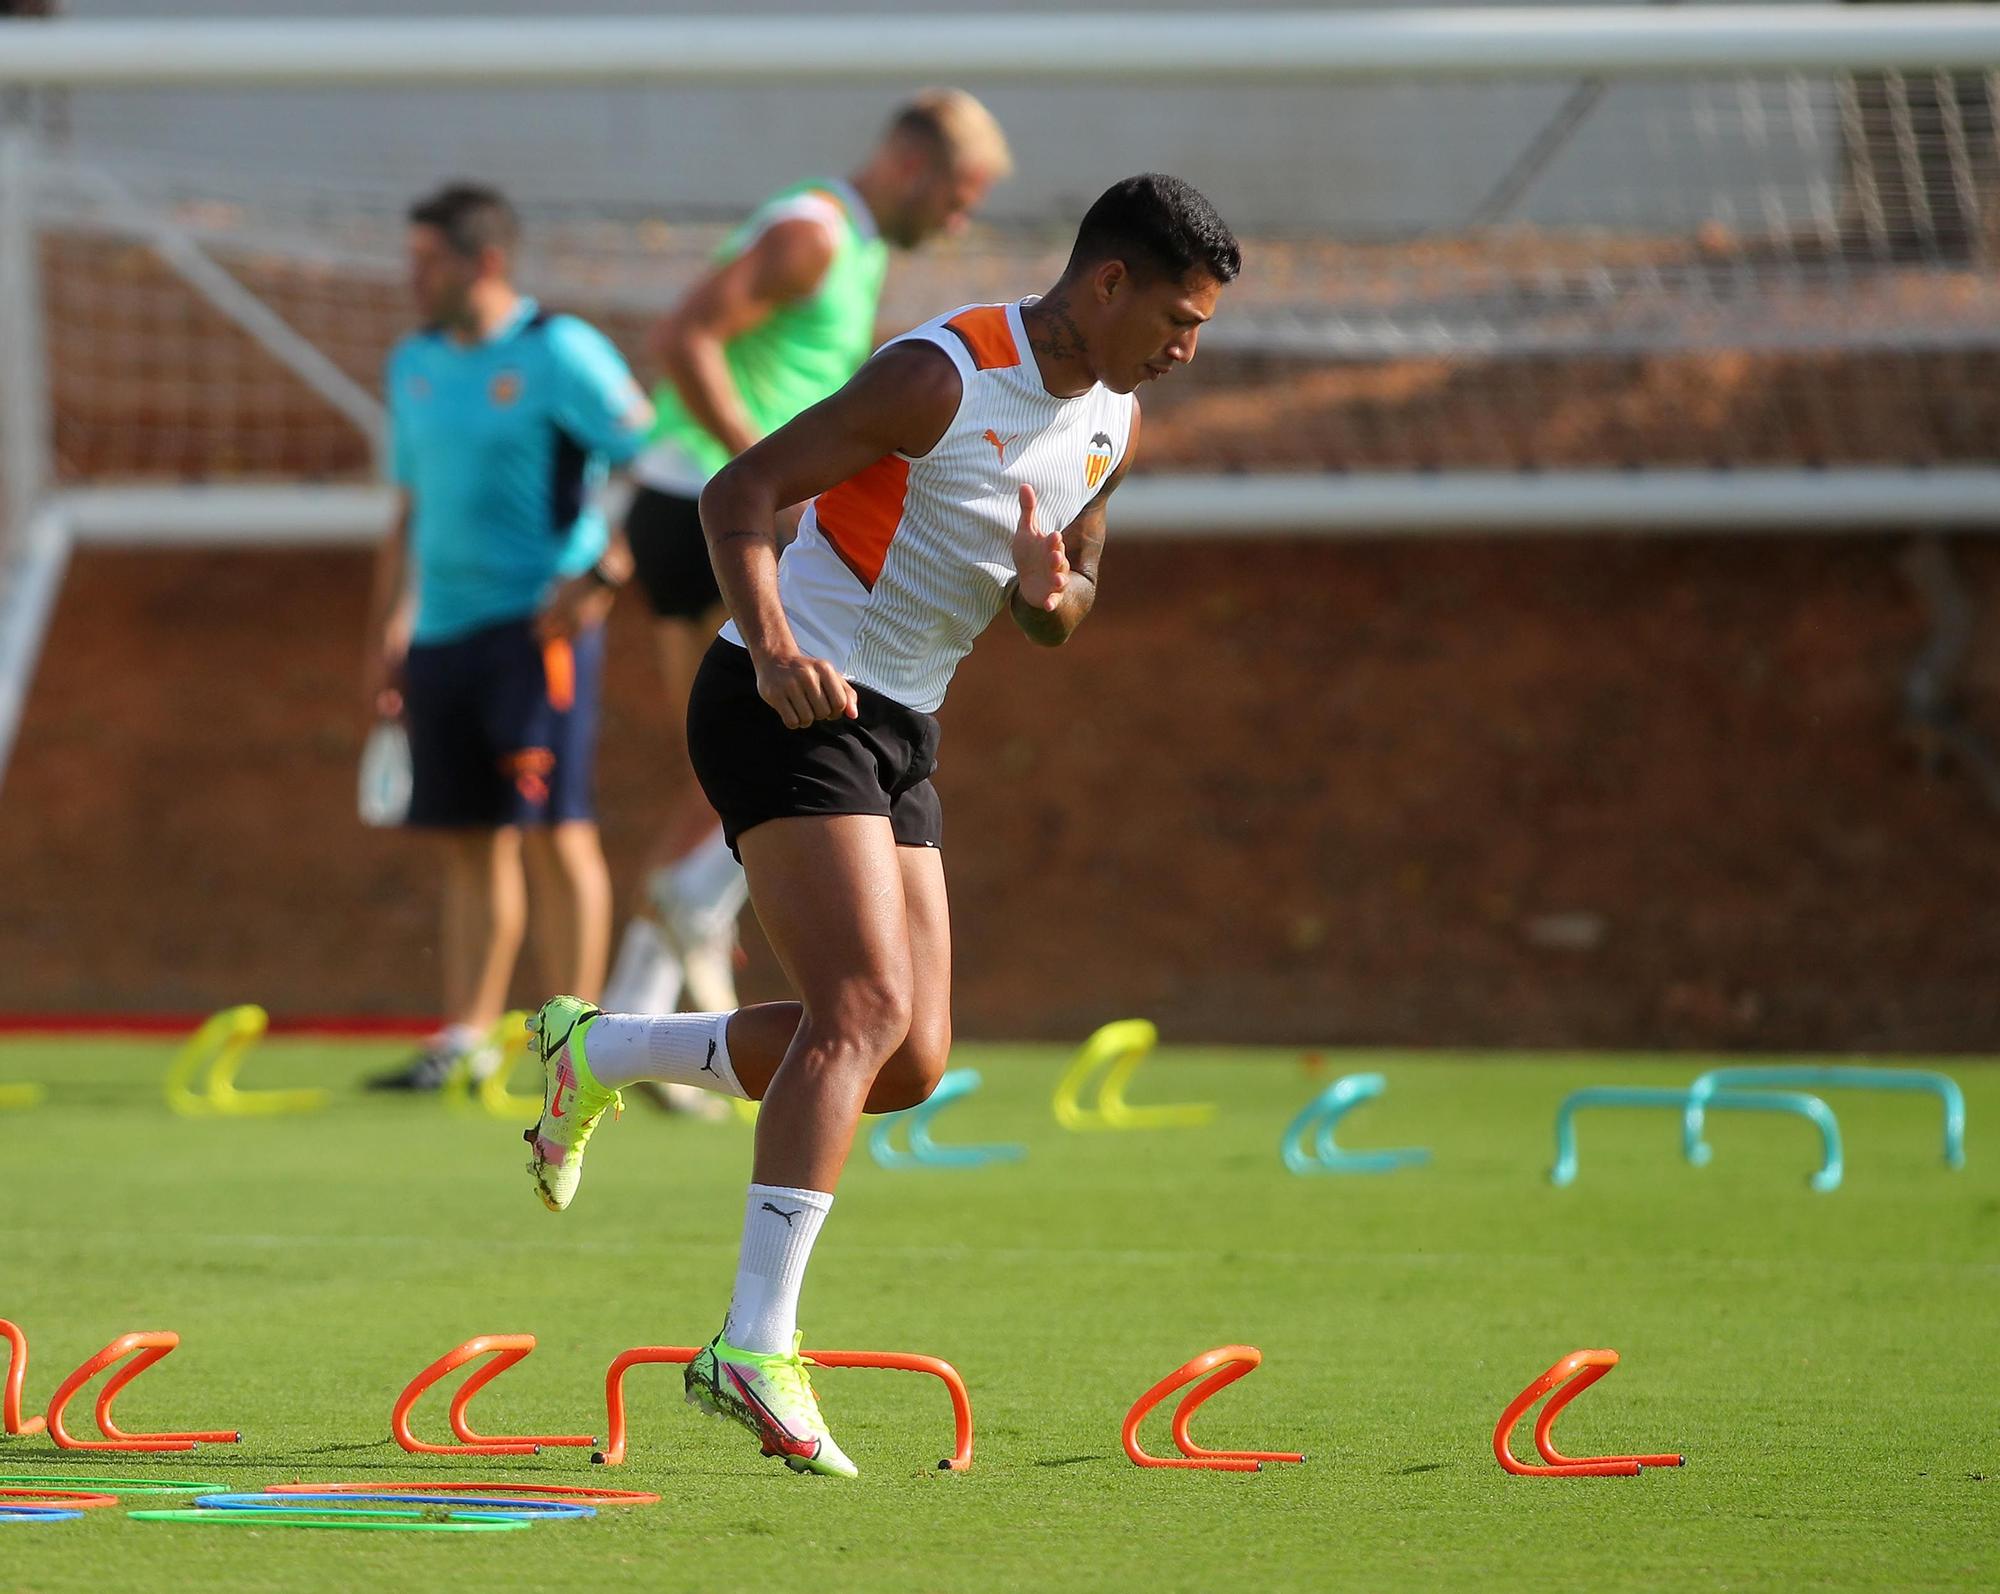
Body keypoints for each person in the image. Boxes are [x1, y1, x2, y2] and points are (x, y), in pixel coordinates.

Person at [522, 174, 1240, 1477]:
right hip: (780, 695)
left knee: (906, 1060)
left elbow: (1067, 604)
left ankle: (603, 1047)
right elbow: (735, 492)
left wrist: (1046, 594)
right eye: (1179, 319)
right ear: (1107, 283)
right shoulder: (941, 373)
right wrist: (782, 643)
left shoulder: (1113, 424)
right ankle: (754, 1342)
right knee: (857, 1009)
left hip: (902, 727)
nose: (1187, 351)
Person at [602, 90, 1013, 1052]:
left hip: (692, 512)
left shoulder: (854, 243)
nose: (956, 224)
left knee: (718, 779)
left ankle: (624, 1023)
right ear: (911, 166)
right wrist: (769, 480)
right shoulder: (814, 235)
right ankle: (682, 927)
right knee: (799, 746)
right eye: (956, 198)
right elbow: (682, 339)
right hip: (715, 509)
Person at [363, 182, 654, 1090]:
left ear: (485, 261)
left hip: (537, 631)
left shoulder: (558, 351)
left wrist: (605, 574)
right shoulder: (411, 362)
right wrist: (387, 635)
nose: (412, 278)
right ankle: (465, 1037)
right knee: (466, 837)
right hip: (441, 636)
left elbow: (660, 460)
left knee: (556, 829)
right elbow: (407, 511)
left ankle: (581, 1048)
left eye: (428, 260)